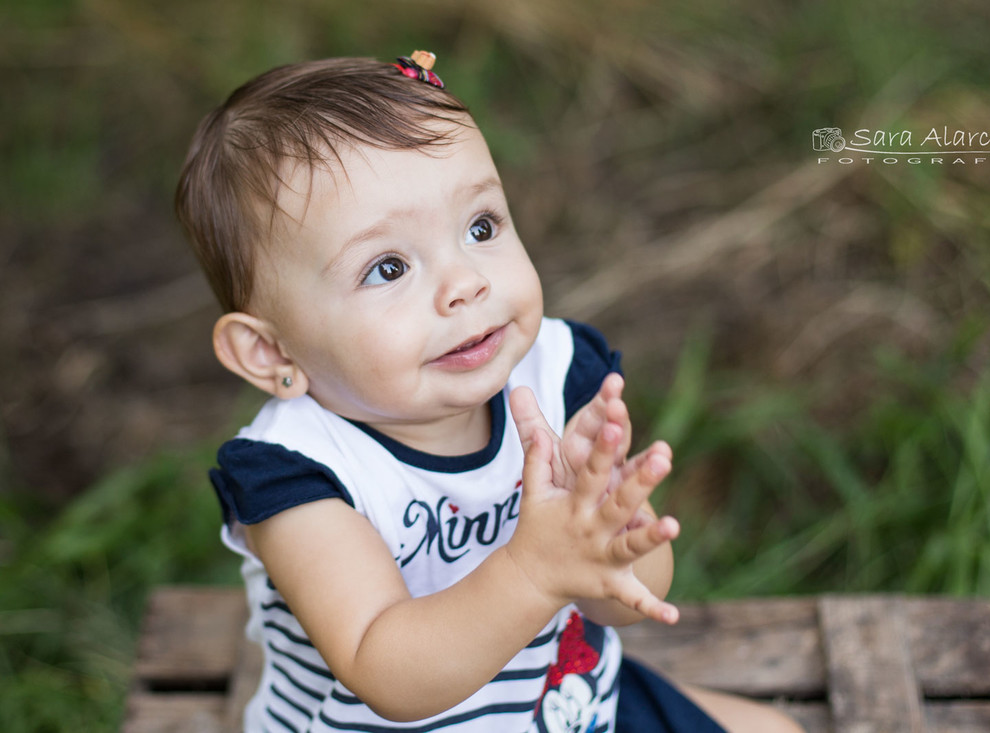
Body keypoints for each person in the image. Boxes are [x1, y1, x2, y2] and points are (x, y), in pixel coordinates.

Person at [176, 52, 804, 733]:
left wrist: (611, 536)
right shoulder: (297, 471)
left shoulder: (557, 374)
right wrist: (535, 572)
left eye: (480, 227)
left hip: (570, 708)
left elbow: (630, 599)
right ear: (271, 352)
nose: (465, 282)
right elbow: (385, 667)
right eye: (388, 267)